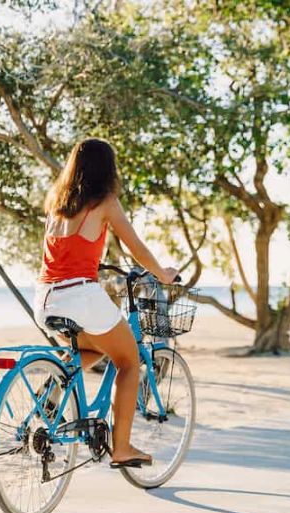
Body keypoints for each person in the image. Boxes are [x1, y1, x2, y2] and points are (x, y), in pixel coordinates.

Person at [33, 138, 178, 468]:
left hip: (45, 299)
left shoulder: (56, 202)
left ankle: (55, 386)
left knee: (96, 347)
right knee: (128, 361)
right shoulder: (106, 202)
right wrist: (162, 273)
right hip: (80, 297)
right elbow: (136, 249)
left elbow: (65, 254)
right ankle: (123, 447)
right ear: (107, 169)